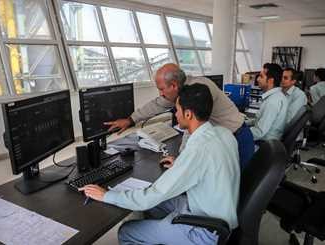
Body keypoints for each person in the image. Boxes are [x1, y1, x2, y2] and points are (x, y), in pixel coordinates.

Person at [80, 84, 240, 245]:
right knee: (153, 206)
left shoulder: (198, 150)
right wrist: (182, 164)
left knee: (127, 230)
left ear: (188, 114)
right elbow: (211, 165)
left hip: (205, 230)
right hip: (214, 212)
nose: (175, 114)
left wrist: (106, 195)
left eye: (177, 110)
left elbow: (152, 195)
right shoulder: (223, 133)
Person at [105, 63, 254, 169]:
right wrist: (131, 120)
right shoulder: (181, 90)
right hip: (223, 139)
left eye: (162, 89)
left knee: (238, 192)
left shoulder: (199, 90)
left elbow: (192, 129)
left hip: (238, 137)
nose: (160, 94)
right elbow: (157, 104)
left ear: (174, 85)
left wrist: (180, 161)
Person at [249, 63, 288, 141]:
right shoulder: (277, 96)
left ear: (270, 81)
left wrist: (238, 132)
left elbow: (258, 132)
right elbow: (259, 121)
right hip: (268, 141)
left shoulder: (273, 101)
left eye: (261, 76)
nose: (257, 79)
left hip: (262, 144)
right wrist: (243, 123)